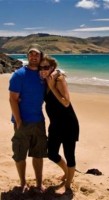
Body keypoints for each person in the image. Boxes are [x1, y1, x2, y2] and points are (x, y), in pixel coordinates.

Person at [9, 44, 47, 192]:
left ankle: (38, 184)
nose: (33, 57)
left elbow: (55, 74)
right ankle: (23, 183)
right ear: (27, 56)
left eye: (36, 54)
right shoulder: (19, 75)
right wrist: (18, 121)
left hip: (39, 121)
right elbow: (13, 99)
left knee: (38, 154)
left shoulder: (43, 74)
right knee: (20, 154)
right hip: (22, 122)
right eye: (31, 54)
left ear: (40, 57)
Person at [39, 55, 79, 192]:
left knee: (69, 154)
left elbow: (66, 102)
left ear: (52, 68)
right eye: (41, 67)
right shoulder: (45, 81)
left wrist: (52, 86)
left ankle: (68, 184)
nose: (43, 70)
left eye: (46, 67)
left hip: (68, 124)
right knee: (51, 153)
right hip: (55, 124)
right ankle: (67, 172)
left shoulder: (58, 80)